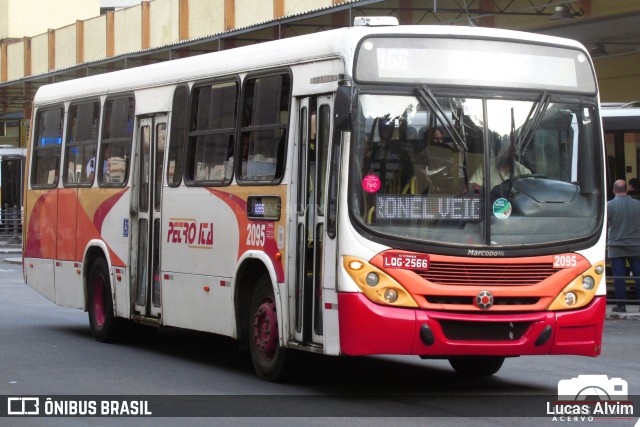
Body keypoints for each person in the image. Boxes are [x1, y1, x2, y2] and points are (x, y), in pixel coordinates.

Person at [607, 179, 640, 312]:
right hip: (636, 245)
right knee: (638, 275)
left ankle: (621, 305)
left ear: (614, 191)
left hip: (615, 246)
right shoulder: (638, 204)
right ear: (627, 189)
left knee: (619, 276)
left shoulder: (609, 205)